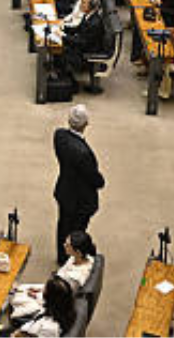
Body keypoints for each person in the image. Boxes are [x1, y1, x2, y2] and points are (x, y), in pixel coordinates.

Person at [52, 104, 104, 264]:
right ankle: (73, 258)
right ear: (85, 124)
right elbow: (94, 179)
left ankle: (62, 256)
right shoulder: (84, 153)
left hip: (65, 191)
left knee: (63, 225)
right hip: (80, 199)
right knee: (77, 229)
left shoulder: (59, 136)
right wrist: (101, 181)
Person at [10, 231, 97, 321]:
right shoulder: (83, 258)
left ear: (77, 251)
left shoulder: (75, 278)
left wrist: (38, 295)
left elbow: (59, 299)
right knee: (20, 288)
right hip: (53, 288)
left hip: (55, 304)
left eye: (67, 245)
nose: (63, 245)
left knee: (16, 299)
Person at [13, 276, 77, 338]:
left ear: (50, 297)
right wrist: (36, 295)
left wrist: (17, 334)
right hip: (29, 327)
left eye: (45, 288)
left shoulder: (50, 328)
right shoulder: (62, 307)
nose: (43, 289)